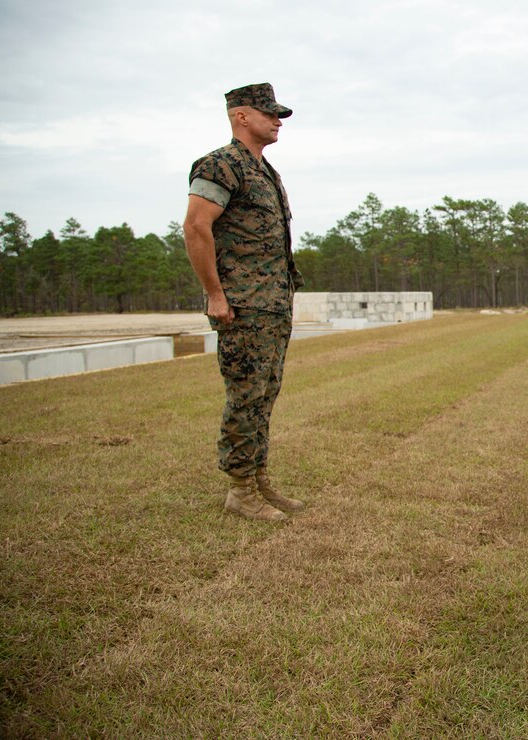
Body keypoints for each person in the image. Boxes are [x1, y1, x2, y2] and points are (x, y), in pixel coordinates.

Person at [183, 83, 305, 521]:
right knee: (245, 395)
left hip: (271, 303)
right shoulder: (221, 165)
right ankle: (239, 490)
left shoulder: (265, 171)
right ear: (241, 116)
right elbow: (196, 227)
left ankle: (257, 479)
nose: (277, 121)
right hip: (242, 304)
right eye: (269, 113)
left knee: (265, 393)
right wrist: (216, 294)